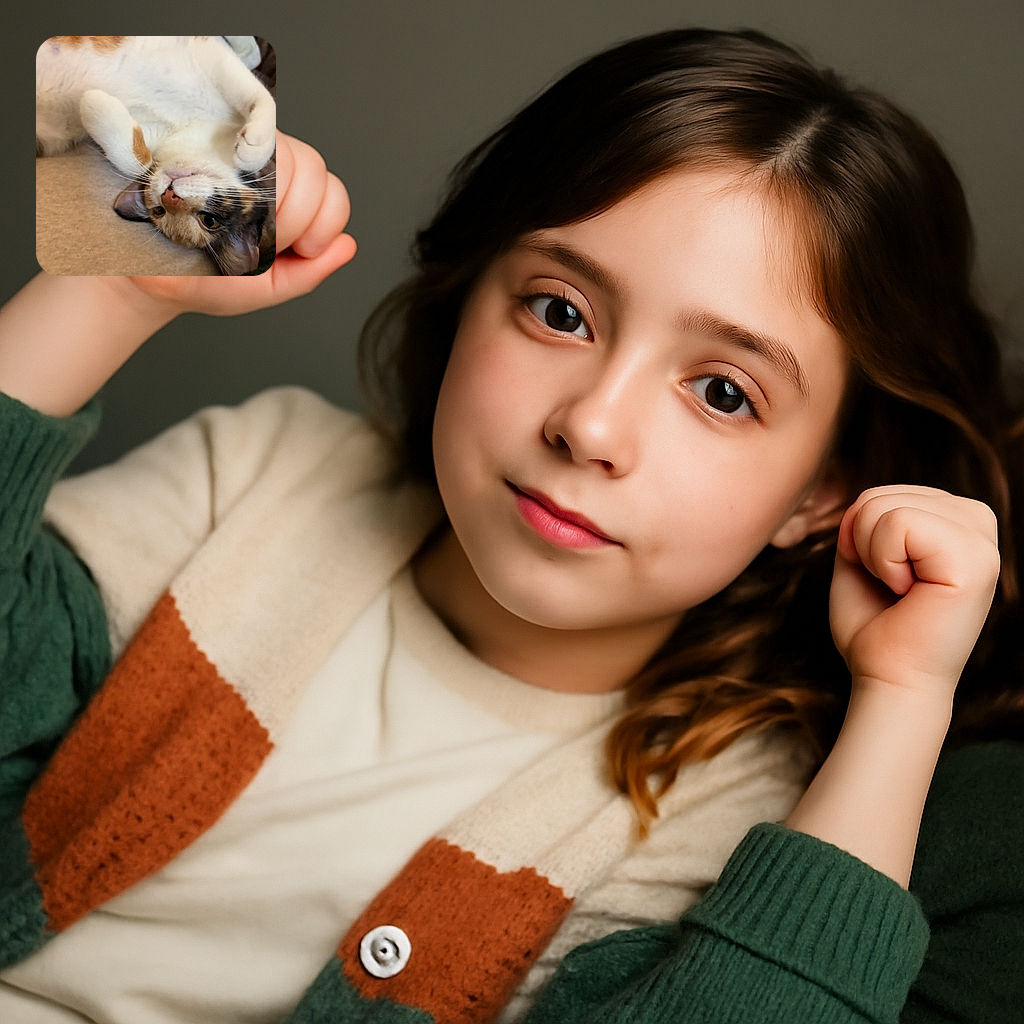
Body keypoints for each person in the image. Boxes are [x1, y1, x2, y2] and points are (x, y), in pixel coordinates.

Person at [1, 26, 1021, 1024]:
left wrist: (903, 695)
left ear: (819, 492)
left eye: (720, 390)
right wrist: (110, 290)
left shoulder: (724, 822)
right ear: (468, 291)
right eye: (560, 312)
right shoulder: (261, 475)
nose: (590, 425)